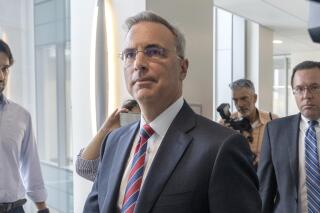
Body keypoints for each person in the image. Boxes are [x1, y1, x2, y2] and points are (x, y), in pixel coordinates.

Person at [83, 11, 261, 213]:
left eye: (153, 52)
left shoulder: (221, 147)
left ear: (182, 68)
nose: (138, 64)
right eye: (130, 54)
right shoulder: (114, 141)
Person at [258, 60, 320, 213]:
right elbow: (265, 189)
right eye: (299, 89)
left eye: (314, 87)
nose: (306, 96)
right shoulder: (275, 131)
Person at [0, 39, 49, 213]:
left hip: (15, 209)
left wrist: (42, 208)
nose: (2, 77)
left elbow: (31, 164)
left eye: (5, 69)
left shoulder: (21, 116)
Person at [76, 99, 140, 181]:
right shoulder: (118, 155)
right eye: (131, 119)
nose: (138, 126)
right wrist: (106, 129)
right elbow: (83, 168)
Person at [219, 79, 278, 167]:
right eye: (235, 100)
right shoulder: (225, 124)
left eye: (244, 98)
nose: (239, 104)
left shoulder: (274, 121)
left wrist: (266, 158)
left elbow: (283, 152)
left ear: (255, 98)